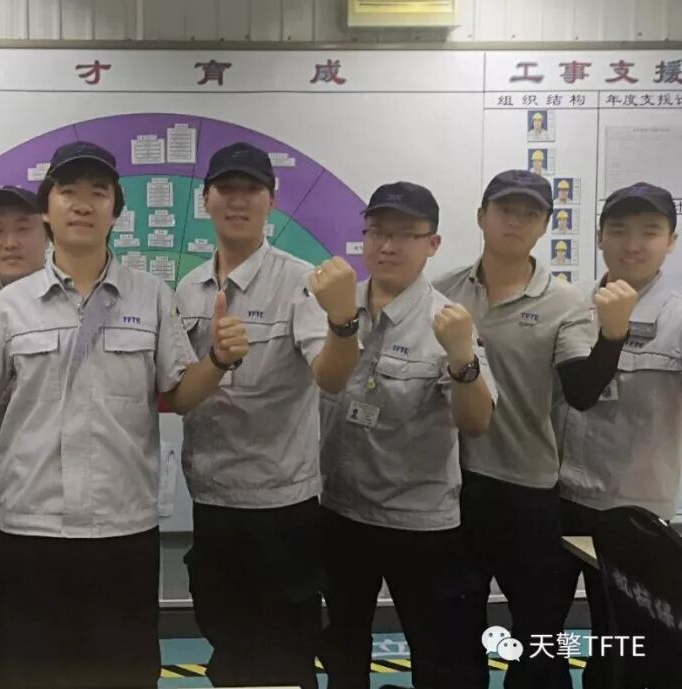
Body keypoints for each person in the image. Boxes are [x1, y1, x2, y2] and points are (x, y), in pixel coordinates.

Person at [0, 141, 249, 689]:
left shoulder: (150, 296)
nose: (82, 204)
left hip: (124, 526)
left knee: (126, 673)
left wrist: (217, 360)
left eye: (98, 193)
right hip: (32, 527)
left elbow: (178, 394)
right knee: (36, 671)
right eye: (68, 192)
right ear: (47, 210)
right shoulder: (11, 305)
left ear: (115, 210)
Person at [435, 170, 637, 689]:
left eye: (531, 213)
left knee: (537, 635)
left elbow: (582, 391)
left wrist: (613, 334)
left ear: (545, 225)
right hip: (449, 487)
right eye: (506, 210)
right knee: (455, 631)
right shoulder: (441, 291)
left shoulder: (564, 302)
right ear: (481, 216)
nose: (516, 221)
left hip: (526, 489)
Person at [174, 142, 354, 689]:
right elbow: (179, 389)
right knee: (226, 645)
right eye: (226, 189)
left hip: (281, 509)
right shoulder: (188, 288)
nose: (237, 200)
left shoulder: (301, 283)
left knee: (285, 655)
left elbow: (330, 376)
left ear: (271, 201)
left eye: (251, 189)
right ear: (206, 199)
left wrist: (343, 322)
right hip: (212, 501)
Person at [317, 182, 497, 689]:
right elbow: (323, 381)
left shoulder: (447, 320)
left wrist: (462, 359)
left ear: (432, 244)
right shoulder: (335, 305)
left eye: (404, 234)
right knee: (343, 651)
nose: (387, 246)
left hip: (420, 521)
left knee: (441, 658)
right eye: (377, 232)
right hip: (341, 511)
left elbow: (477, 422)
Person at [552, 182, 681, 689]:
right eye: (620, 230)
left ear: (671, 240)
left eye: (650, 231)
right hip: (558, 498)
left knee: (623, 643)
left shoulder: (678, 316)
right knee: (540, 628)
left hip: (634, 509)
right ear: (600, 236)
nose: (633, 244)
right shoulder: (570, 305)